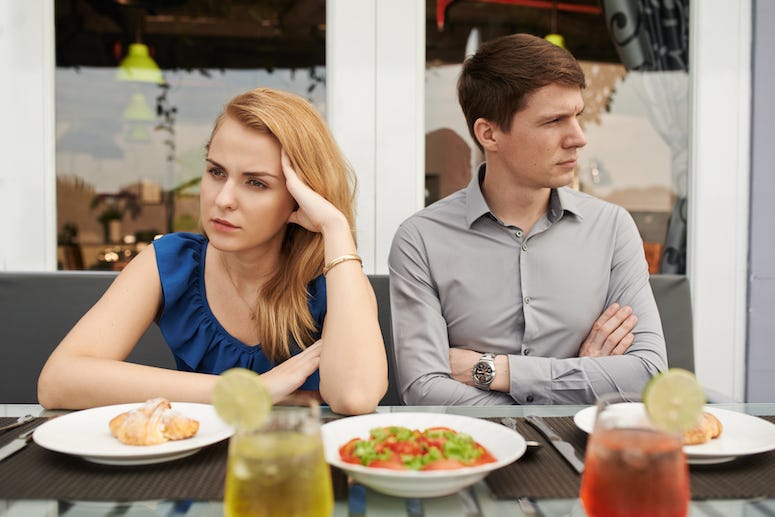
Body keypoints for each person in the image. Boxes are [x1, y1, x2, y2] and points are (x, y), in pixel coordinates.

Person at [38, 88, 388, 415]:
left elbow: (355, 396)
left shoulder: (334, 277)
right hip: (192, 467)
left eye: (256, 183)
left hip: (301, 467)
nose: (223, 200)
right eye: (216, 172)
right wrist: (249, 391)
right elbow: (58, 381)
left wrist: (335, 228)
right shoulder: (173, 262)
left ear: (302, 196)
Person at [388, 34, 667, 406]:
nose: (578, 138)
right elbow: (424, 388)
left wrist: (494, 370)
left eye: (577, 116)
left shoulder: (612, 228)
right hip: (478, 452)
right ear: (489, 134)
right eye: (554, 121)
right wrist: (577, 383)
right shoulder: (420, 239)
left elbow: (647, 373)